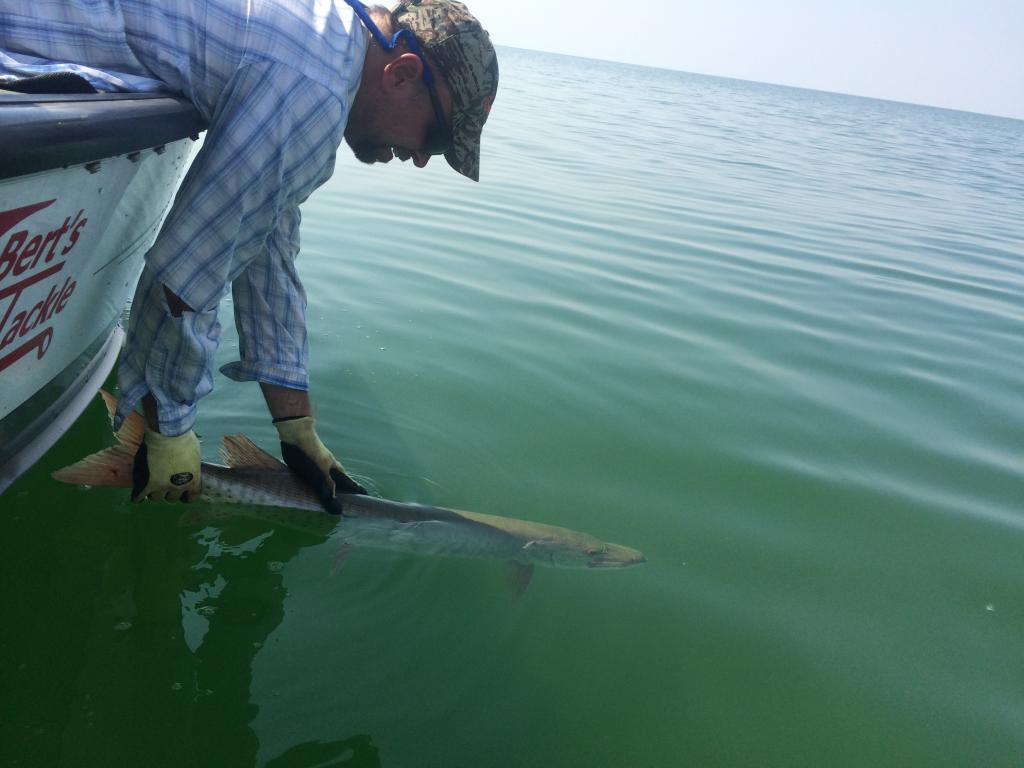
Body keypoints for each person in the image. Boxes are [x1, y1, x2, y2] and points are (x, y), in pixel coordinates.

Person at [0, 0, 499, 512]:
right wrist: (168, 429)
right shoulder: (313, 91)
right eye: (437, 137)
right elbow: (182, 278)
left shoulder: (324, 45)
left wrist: (296, 426)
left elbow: (269, 254)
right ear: (402, 73)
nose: (422, 159)